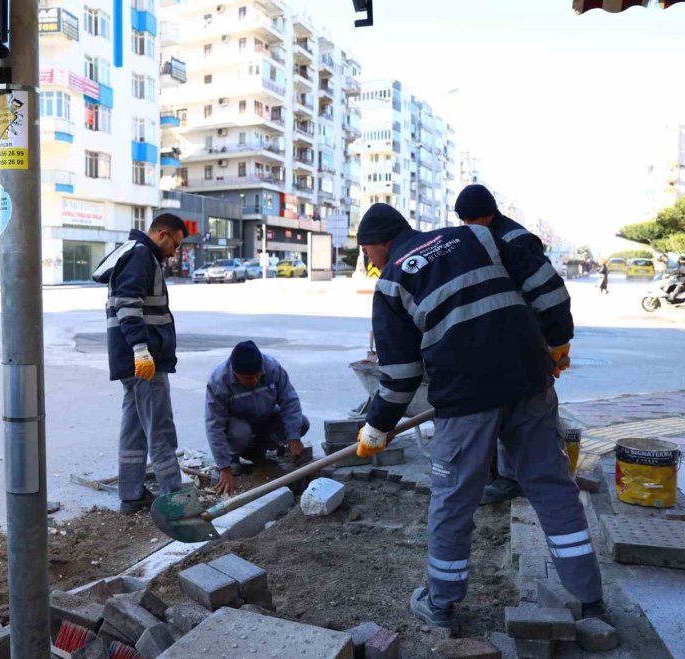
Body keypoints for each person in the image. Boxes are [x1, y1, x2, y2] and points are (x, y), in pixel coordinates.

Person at [354, 203, 603, 632]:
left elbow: (400, 376)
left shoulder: (392, 282)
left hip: (467, 398)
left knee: (454, 499)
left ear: (376, 245)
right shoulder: (474, 236)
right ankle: (591, 599)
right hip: (530, 378)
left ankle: (441, 602)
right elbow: (549, 288)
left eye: (366, 254)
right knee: (552, 486)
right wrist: (558, 342)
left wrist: (377, 428)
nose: (370, 262)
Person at [455, 184, 554, 505]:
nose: (468, 227)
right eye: (462, 221)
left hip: (523, 335)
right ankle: (508, 472)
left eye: (473, 220)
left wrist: (551, 341)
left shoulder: (519, 240)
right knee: (503, 403)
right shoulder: (476, 236)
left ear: (490, 214)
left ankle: (519, 477)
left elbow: (542, 291)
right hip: (495, 336)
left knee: (522, 407)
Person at [92, 213, 189, 515]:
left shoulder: (137, 253)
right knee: (160, 427)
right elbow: (128, 304)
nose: (175, 252)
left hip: (133, 359)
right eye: (175, 244)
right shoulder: (141, 256)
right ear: (162, 234)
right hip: (143, 360)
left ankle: (131, 494)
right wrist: (140, 349)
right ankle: (176, 498)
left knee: (134, 429)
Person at [205, 341, 310, 495]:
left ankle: (258, 450)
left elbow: (290, 402)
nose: (254, 381)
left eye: (257, 375)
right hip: (238, 425)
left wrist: (294, 438)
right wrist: (224, 468)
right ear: (235, 373)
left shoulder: (272, 368)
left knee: (302, 423)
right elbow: (214, 426)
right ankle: (233, 458)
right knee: (241, 432)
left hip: (266, 417)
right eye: (248, 378)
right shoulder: (219, 381)